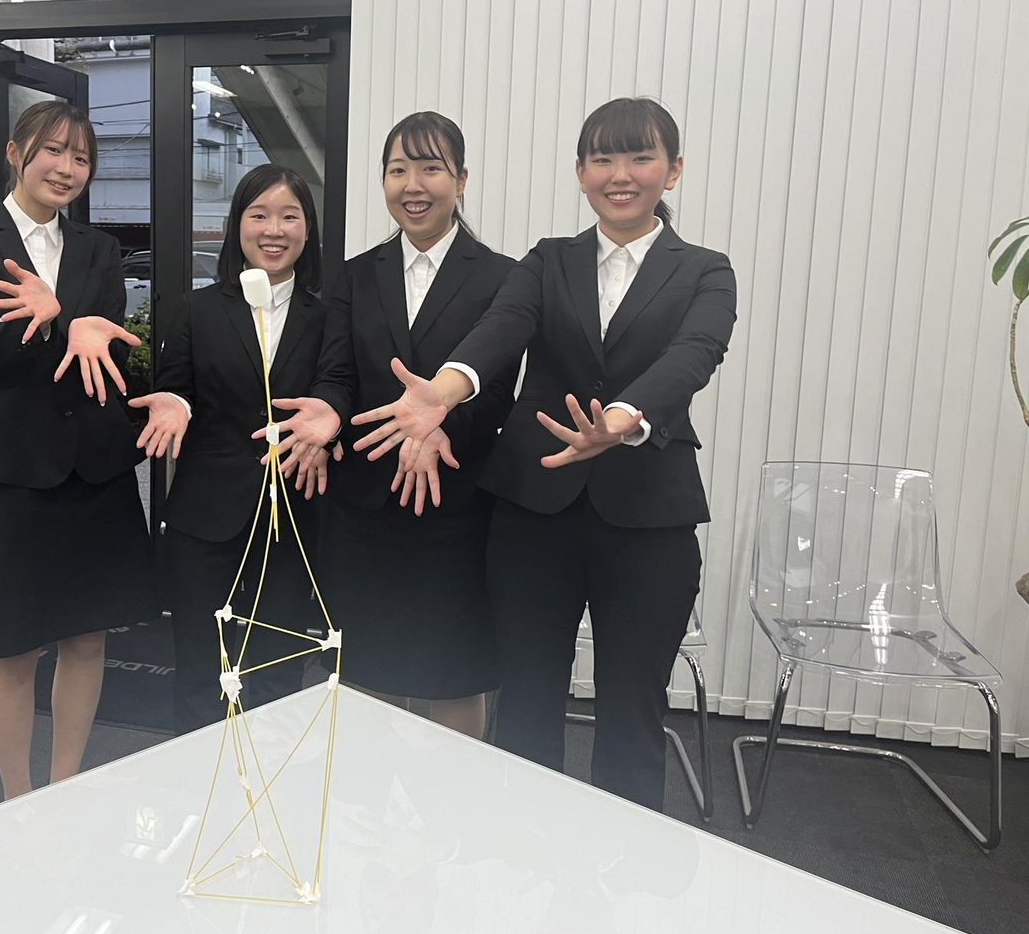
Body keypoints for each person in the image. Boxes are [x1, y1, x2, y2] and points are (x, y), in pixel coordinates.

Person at [348, 97, 737, 810]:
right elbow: (502, 328)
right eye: (602, 159)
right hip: (533, 518)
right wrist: (444, 391)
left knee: (632, 712)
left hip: (649, 516)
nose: (620, 175)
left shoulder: (706, 271)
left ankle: (622, 862)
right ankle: (524, 851)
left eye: (640, 157)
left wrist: (621, 419)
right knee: (525, 706)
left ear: (673, 170)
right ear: (581, 172)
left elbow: (694, 353)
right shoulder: (548, 260)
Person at [0, 100, 157, 799]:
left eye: (81, 157)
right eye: (53, 151)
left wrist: (63, 323)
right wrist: (53, 323)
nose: (66, 168)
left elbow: (106, 351)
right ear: (15, 152)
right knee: (13, 645)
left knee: (87, 637)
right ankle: (16, 799)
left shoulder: (98, 249)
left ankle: (65, 788)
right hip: (14, 471)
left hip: (95, 469)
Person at [267, 112, 517, 738]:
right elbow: (338, 373)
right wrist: (328, 410)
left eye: (431, 168)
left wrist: (440, 430)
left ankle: (449, 800)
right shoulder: (356, 274)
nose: (413, 185)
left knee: (453, 675)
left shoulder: (503, 277)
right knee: (366, 672)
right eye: (398, 170)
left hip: (455, 506)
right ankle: (369, 800)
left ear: (461, 179)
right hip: (365, 507)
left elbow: (497, 392)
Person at [129, 164, 330, 733]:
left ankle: (268, 779)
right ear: (237, 225)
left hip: (293, 514)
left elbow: (338, 393)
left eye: (290, 216)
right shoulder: (197, 309)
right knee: (201, 668)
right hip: (205, 513)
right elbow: (176, 387)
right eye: (259, 215)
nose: (274, 230)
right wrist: (174, 404)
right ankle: (203, 778)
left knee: (276, 670)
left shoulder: (327, 317)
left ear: (307, 230)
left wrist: (327, 435)